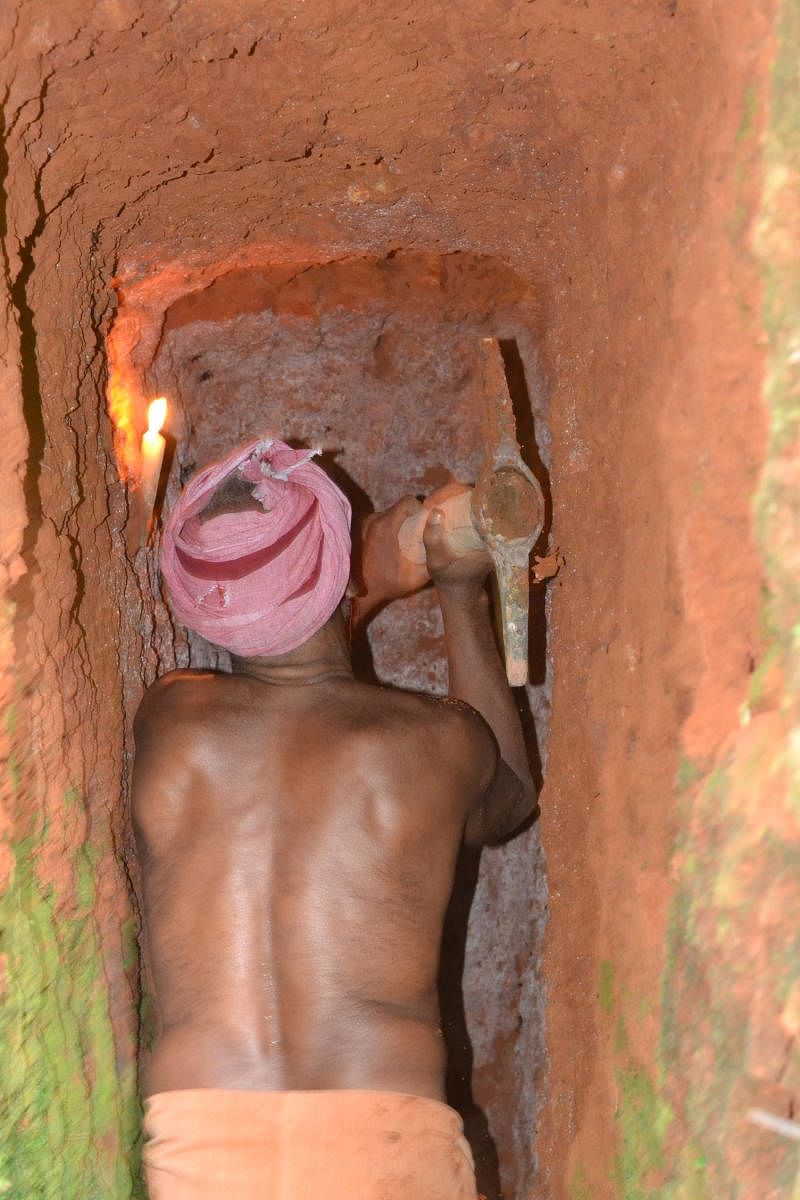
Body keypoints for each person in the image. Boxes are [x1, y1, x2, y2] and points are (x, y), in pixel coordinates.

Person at [133, 437, 536, 1200]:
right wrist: (458, 589)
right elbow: (507, 803)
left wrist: (362, 581)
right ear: (334, 572)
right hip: (382, 1146)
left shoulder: (169, 719)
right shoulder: (431, 742)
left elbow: (287, 673)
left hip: (202, 1153)